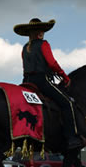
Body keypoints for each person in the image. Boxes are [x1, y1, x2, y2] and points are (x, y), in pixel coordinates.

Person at [14, 18, 82, 150]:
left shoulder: (24, 48)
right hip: (41, 81)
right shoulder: (43, 44)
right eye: (40, 30)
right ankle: (72, 138)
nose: (41, 32)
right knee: (67, 103)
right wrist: (65, 77)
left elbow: (24, 68)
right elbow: (52, 63)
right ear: (37, 33)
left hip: (26, 82)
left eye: (42, 30)